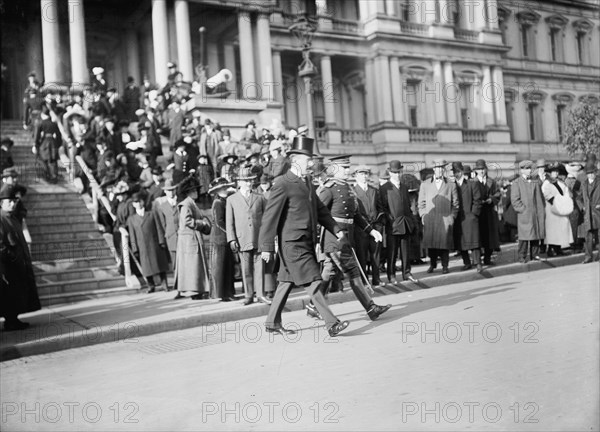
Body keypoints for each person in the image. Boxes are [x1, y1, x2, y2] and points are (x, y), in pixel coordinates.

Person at [258, 136, 350, 337]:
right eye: (309, 159)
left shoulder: (307, 181)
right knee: (314, 282)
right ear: (297, 160)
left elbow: (320, 209)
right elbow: (269, 217)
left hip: (305, 242)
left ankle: (272, 322)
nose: (312, 163)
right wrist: (265, 247)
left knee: (285, 282)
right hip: (292, 244)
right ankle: (331, 323)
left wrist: (336, 229)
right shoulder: (282, 183)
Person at [307, 154, 390, 321]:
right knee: (353, 271)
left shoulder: (349, 188)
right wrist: (315, 240)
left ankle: (313, 306)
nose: (347, 170)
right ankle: (370, 307)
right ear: (335, 169)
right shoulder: (329, 189)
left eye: (347, 167)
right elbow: (316, 215)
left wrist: (371, 231)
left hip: (347, 236)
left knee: (328, 273)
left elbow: (356, 215)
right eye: (344, 168)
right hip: (334, 238)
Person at [226, 166, 271, 305]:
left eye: (251, 180)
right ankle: (248, 295)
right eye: (246, 181)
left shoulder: (260, 197)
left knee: (259, 268)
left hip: (258, 238)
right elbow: (229, 222)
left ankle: (261, 294)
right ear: (239, 182)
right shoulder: (231, 199)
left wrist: (267, 238)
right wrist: (232, 239)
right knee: (245, 269)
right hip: (242, 238)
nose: (249, 183)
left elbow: (267, 219)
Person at [0, 186, 41, 331]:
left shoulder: (14, 219)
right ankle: (10, 321)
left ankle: (14, 319)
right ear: (1, 203)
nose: (12, 204)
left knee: (18, 293)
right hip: (9, 266)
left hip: (19, 264)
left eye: (14, 201)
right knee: (9, 294)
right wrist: (12, 257)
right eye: (9, 201)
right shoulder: (1, 219)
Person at [173, 176, 212, 300]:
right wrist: (202, 223)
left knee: (194, 265)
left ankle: (197, 289)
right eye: (194, 190)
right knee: (192, 265)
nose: (196, 192)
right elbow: (187, 220)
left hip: (191, 238)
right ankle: (195, 290)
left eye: (196, 190)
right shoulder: (186, 204)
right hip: (189, 239)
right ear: (189, 192)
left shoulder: (191, 203)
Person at [380, 160, 418, 283]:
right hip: (393, 224)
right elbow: (383, 207)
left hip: (405, 223)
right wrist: (389, 220)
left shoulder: (404, 187)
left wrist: (411, 221)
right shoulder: (385, 188)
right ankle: (391, 275)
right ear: (390, 173)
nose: (396, 174)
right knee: (392, 252)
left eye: (398, 172)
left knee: (405, 251)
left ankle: (407, 273)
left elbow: (407, 205)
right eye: (394, 172)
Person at [418, 160, 459, 274]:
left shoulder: (451, 184)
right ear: (433, 169)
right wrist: (423, 216)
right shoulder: (425, 184)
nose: (439, 170)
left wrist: (452, 217)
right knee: (431, 244)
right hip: (430, 218)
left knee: (444, 243)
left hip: (445, 219)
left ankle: (445, 265)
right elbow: (421, 203)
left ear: (444, 170)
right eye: (437, 168)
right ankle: (432, 264)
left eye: (441, 168)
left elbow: (455, 203)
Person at [127, 191, 170, 292]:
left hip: (154, 243)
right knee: (147, 267)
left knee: (160, 264)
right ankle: (151, 285)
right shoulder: (131, 219)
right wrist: (134, 248)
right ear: (133, 204)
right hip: (142, 246)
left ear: (142, 202)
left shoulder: (151, 213)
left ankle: (164, 284)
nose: (138, 204)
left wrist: (161, 241)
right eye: (135, 202)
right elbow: (132, 236)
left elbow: (159, 228)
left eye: (139, 201)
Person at [353, 164, 385, 288]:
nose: (364, 176)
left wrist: (379, 223)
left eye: (366, 173)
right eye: (361, 174)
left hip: (375, 227)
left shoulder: (373, 190)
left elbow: (380, 208)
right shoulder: (353, 191)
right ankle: (365, 281)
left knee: (376, 254)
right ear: (356, 176)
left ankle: (376, 279)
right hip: (361, 229)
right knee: (362, 254)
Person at [511, 160, 546, 263]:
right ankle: (522, 255)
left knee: (535, 234)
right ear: (522, 170)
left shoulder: (535, 181)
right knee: (524, 236)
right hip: (525, 214)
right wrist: (523, 210)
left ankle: (534, 254)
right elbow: (515, 200)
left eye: (531, 168)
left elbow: (541, 194)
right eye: (527, 168)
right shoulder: (517, 182)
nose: (530, 170)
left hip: (536, 212)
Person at [452, 162, 483, 272]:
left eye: (459, 171)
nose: (457, 174)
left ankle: (478, 262)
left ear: (462, 172)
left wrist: (474, 213)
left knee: (474, 241)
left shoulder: (471, 184)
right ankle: (467, 262)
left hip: (470, 217)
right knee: (461, 242)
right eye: (455, 172)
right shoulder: (452, 186)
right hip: (458, 218)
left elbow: (477, 200)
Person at [209, 177, 237, 301]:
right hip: (220, 238)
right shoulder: (218, 203)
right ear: (218, 190)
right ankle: (223, 294)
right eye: (223, 188)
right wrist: (230, 232)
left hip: (224, 238)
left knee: (228, 266)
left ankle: (229, 292)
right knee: (221, 267)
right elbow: (219, 222)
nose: (225, 189)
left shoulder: (225, 200)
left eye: (225, 187)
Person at [542, 163, 574, 257]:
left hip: (560, 209)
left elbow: (566, 193)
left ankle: (559, 248)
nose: (555, 173)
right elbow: (548, 196)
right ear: (549, 173)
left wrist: (565, 202)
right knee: (552, 231)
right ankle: (551, 249)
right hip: (551, 211)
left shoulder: (560, 183)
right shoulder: (546, 184)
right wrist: (559, 202)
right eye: (553, 172)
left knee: (561, 229)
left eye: (556, 171)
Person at [473, 159, 501, 265]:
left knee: (490, 236)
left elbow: (498, 194)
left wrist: (492, 199)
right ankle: (478, 259)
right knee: (478, 236)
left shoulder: (491, 181)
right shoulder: (473, 182)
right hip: (478, 213)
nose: (481, 171)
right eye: (479, 169)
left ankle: (487, 258)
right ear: (476, 171)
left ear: (486, 169)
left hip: (489, 212)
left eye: (483, 169)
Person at [153, 178, 180, 268]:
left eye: (172, 190)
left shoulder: (181, 203)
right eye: (168, 191)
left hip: (183, 236)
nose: (171, 193)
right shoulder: (162, 206)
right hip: (171, 237)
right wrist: (167, 234)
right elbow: (162, 224)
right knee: (175, 263)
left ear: (175, 190)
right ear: (165, 192)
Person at [577, 162, 600, 263]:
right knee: (588, 236)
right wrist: (583, 207)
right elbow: (578, 198)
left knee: (599, 235)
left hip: (598, 212)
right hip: (588, 214)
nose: (591, 175)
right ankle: (588, 256)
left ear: (595, 173)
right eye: (589, 173)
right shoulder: (584, 183)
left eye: (592, 173)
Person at [34, 106, 61, 182]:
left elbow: (37, 135)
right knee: (53, 160)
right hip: (53, 142)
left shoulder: (41, 123)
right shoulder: (53, 124)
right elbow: (59, 135)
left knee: (44, 160)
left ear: (42, 114)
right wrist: (58, 144)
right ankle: (54, 176)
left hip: (44, 143)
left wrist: (35, 144)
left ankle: (46, 176)